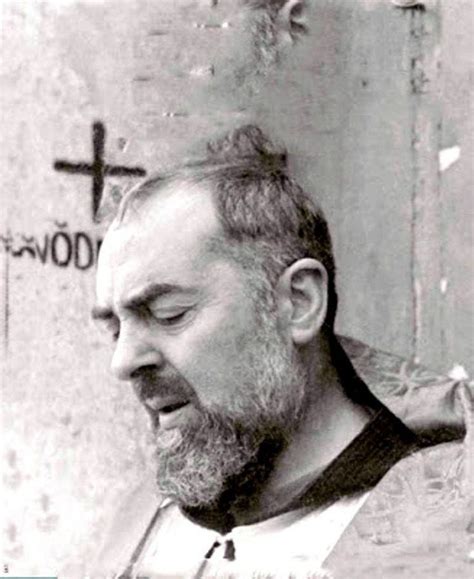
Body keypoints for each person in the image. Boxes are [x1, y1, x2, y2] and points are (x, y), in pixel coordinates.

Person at [92, 125, 472, 578]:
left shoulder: (447, 536)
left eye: (169, 313)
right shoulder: (147, 515)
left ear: (298, 303)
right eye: (115, 328)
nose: (124, 362)